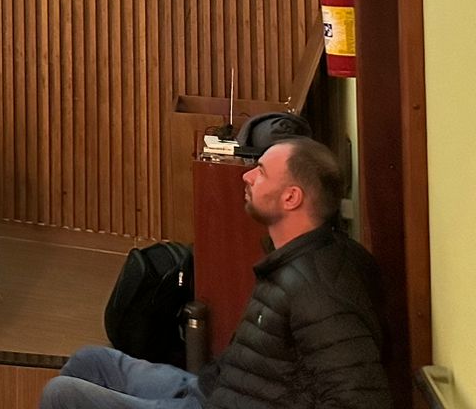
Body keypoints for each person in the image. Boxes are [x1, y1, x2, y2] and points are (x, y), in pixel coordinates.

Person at [39, 137, 390, 409]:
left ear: (291, 198)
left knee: (63, 396)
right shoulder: (293, 257)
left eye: (261, 171)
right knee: (90, 361)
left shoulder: (319, 290)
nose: (247, 175)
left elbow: (360, 401)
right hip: (213, 392)